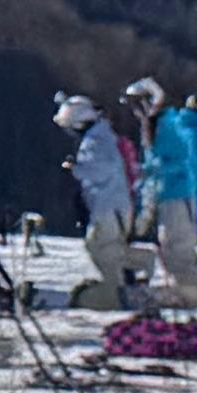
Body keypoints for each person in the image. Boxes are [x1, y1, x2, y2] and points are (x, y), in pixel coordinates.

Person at [147, 89, 197, 291]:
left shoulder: (179, 126)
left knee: (176, 241)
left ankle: (191, 274)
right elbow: (196, 163)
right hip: (194, 190)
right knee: (187, 237)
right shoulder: (196, 132)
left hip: (183, 189)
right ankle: (196, 283)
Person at [61, 90, 139, 295]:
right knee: (108, 247)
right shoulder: (104, 136)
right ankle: (125, 281)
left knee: (100, 247)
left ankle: (116, 290)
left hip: (107, 206)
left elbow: (100, 170)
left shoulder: (95, 142)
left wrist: (75, 168)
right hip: (116, 205)